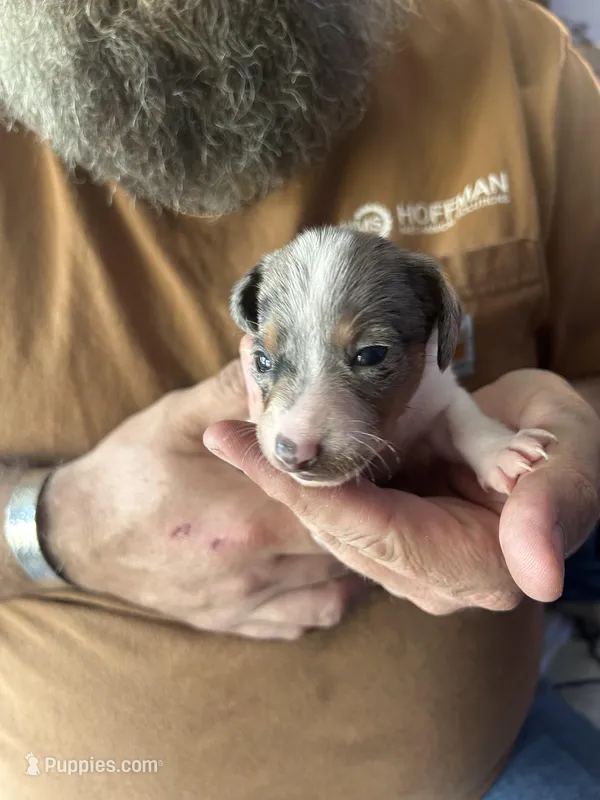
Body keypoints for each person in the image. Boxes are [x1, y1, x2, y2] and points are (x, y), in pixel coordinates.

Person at [0, 0, 599, 797]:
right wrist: (52, 527)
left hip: (486, 763)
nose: (298, 437)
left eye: (372, 356)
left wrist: (576, 452)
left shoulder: (516, 51)